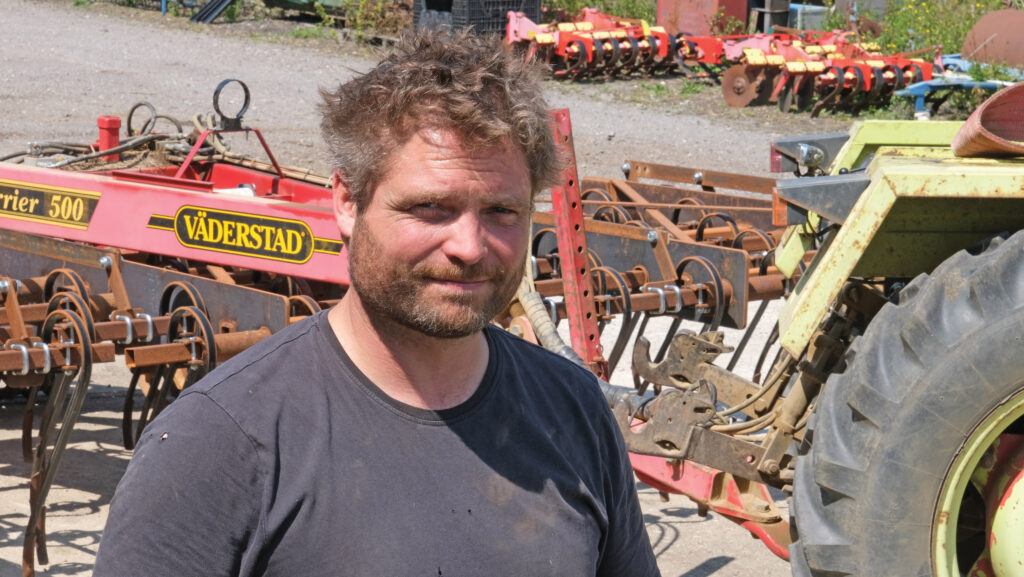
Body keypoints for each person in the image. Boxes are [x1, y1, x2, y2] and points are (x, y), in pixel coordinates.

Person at [94, 30, 660, 577]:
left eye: (501, 212)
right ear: (346, 201)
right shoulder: (219, 444)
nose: (468, 246)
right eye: (430, 208)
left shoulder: (575, 412)